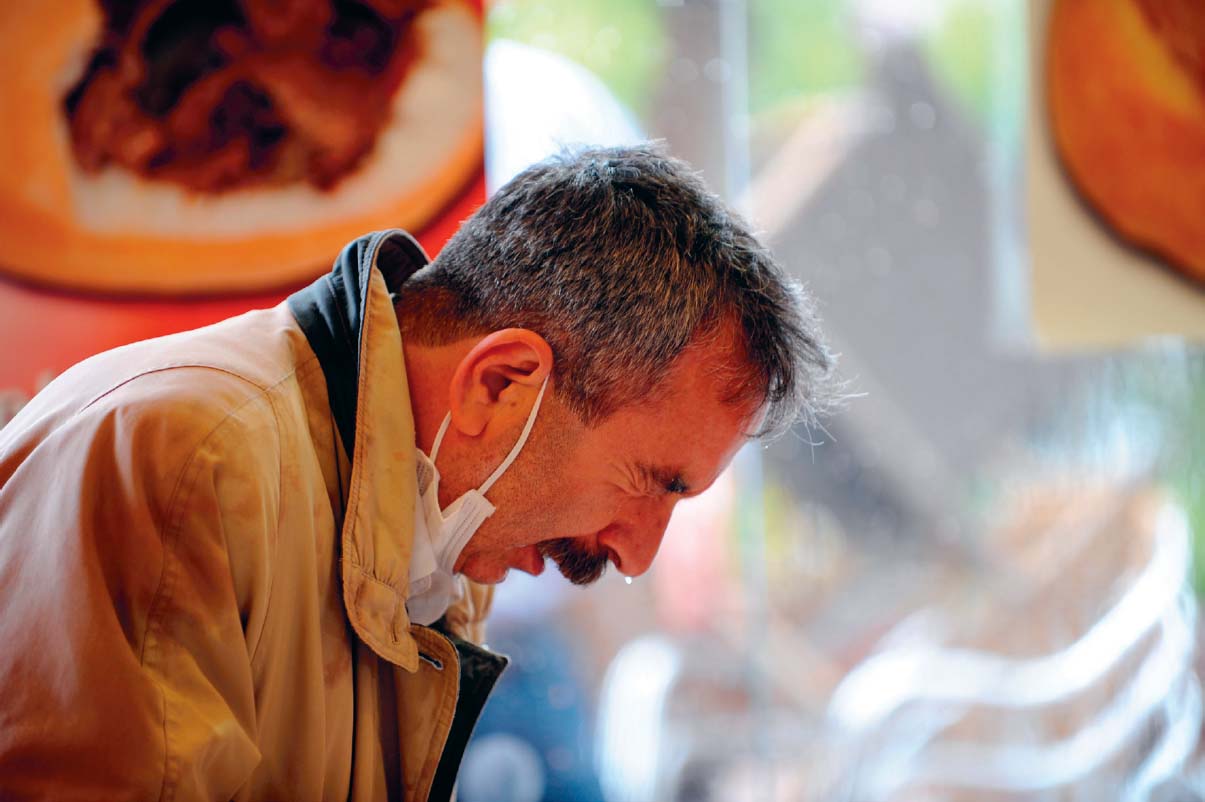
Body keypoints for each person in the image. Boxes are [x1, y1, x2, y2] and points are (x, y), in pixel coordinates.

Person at [0, 144, 834, 801]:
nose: (636, 554)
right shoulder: (190, 460)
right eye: (652, 481)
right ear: (500, 384)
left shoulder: (434, 526)